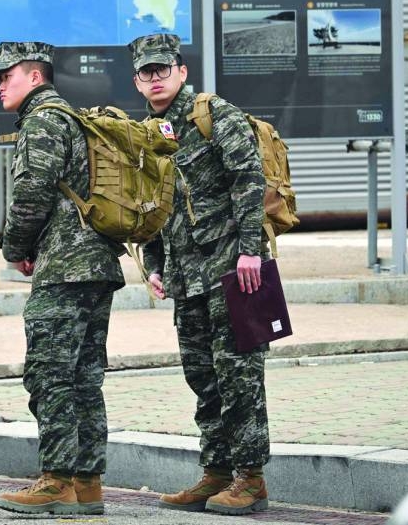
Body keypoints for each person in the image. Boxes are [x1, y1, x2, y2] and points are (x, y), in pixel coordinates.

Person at [0, 42, 125, 516]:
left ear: (36, 77)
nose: (1, 84)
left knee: (50, 373)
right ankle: (88, 482)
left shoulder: (43, 119)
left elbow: (33, 190)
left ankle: (56, 480)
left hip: (65, 266)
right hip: (96, 263)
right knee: (84, 376)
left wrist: (15, 247)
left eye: (8, 76)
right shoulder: (72, 118)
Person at [131, 32, 271, 516]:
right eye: (146, 72)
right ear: (137, 80)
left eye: (162, 70)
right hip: (185, 275)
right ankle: (216, 472)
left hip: (233, 266)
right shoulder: (146, 134)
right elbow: (150, 206)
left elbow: (249, 178)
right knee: (202, 375)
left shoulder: (214, 115)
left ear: (181, 72)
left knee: (239, 374)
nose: (155, 79)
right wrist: (154, 265)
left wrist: (250, 251)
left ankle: (250, 478)